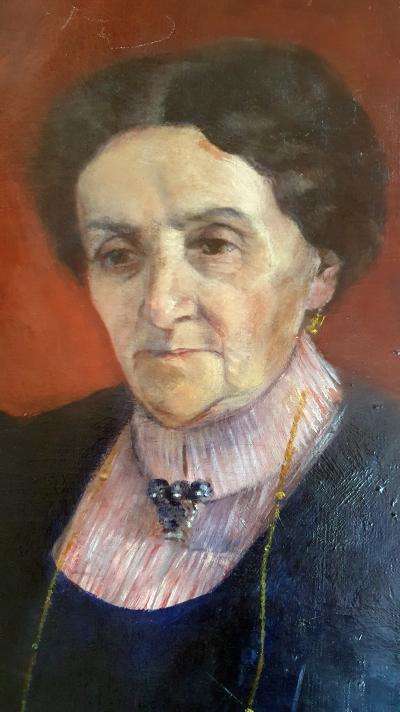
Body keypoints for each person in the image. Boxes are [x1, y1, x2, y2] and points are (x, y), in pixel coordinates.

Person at [1, 38, 399, 711]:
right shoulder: (19, 467)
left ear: (321, 269)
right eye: (118, 254)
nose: (160, 305)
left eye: (214, 244)